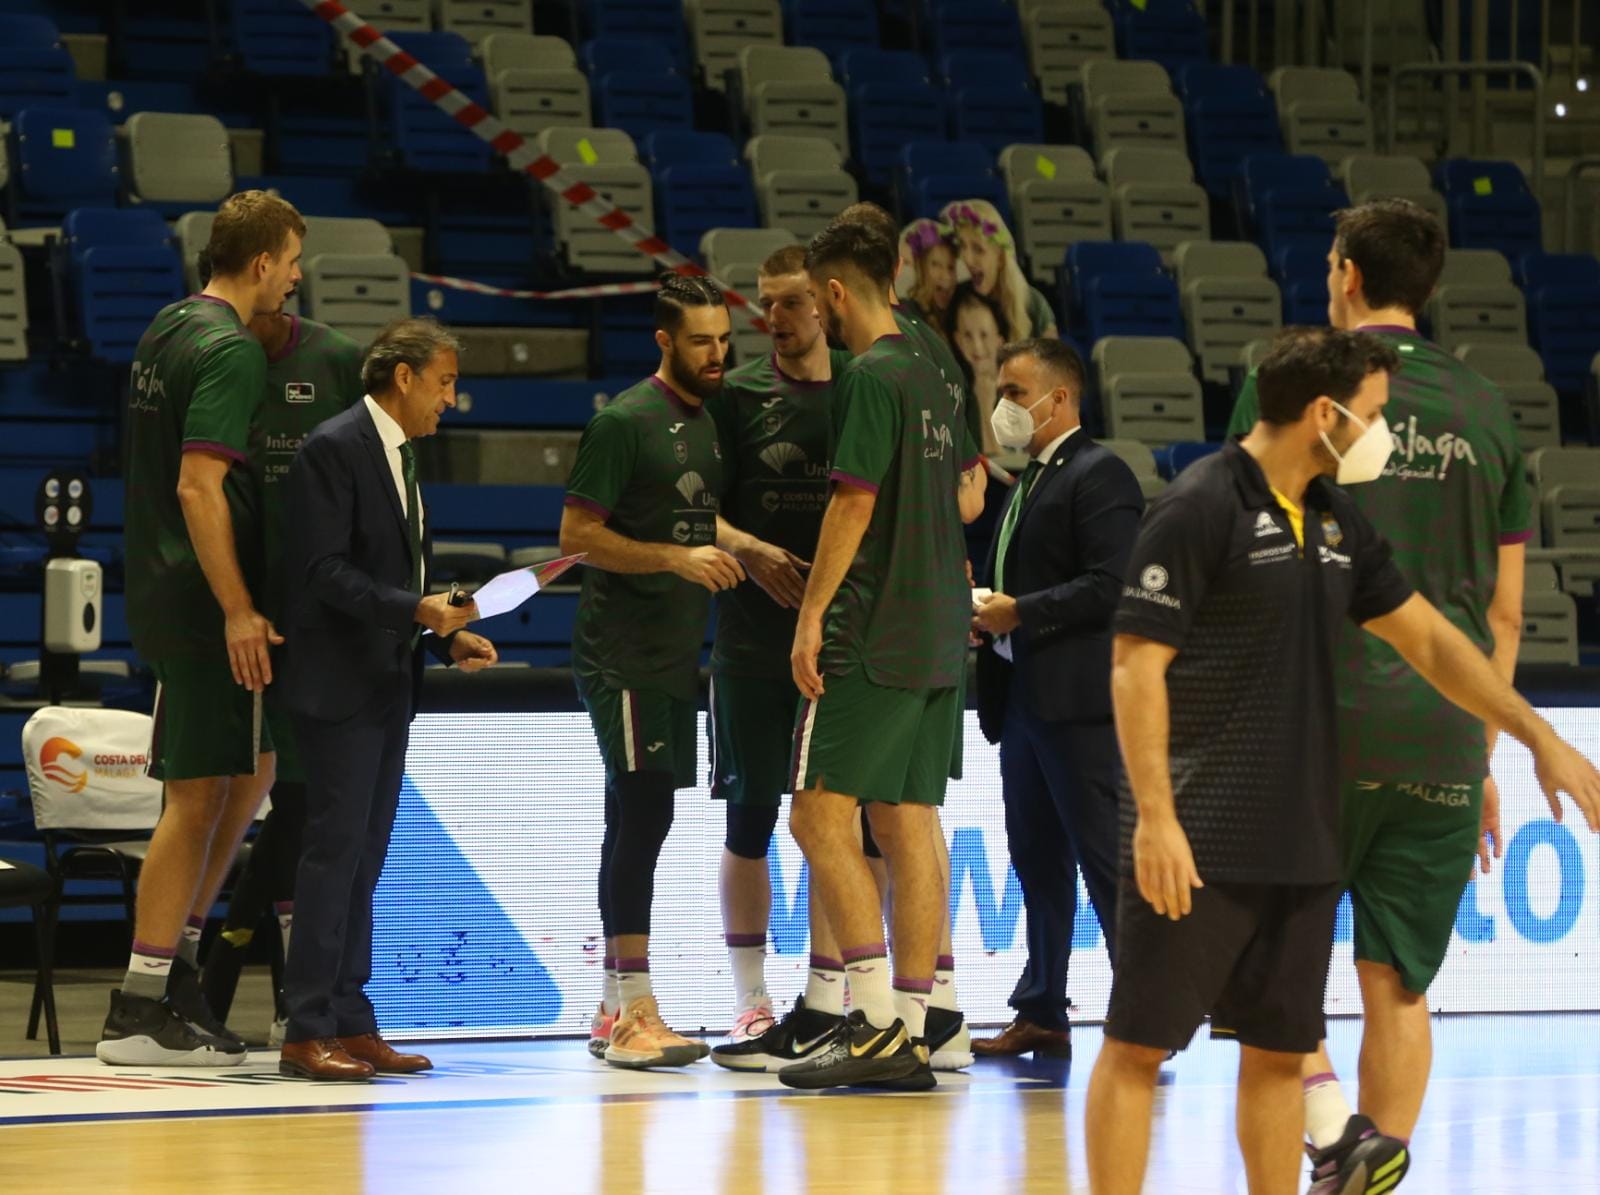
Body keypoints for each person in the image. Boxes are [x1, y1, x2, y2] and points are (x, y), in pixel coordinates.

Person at [1084, 326, 1600, 1195]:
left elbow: (1433, 641)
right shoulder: (1200, 504)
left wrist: (1536, 732)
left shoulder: (1333, 517)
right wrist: (1157, 817)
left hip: (1304, 837)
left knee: (1281, 1056)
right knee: (1137, 1045)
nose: (1380, 435)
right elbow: (1135, 665)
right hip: (1199, 834)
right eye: (1371, 415)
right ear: (1323, 414)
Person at [1225, 199, 1534, 1193]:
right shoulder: (1489, 409)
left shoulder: (1295, 381)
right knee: (1398, 985)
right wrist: (1482, 750)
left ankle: (1317, 1136)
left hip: (1314, 723)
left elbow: (1241, 552)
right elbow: (1506, 613)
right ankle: (1364, 1169)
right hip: (1443, 732)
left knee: (1272, 980)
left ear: (1348, 276)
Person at [779, 220, 986, 1092]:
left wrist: (812, 612)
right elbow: (971, 495)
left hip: (875, 624)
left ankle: (866, 1022)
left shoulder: (868, 375)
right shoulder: (938, 370)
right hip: (941, 626)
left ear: (832, 296)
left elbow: (852, 505)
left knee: (818, 819)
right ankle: (920, 1020)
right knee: (906, 822)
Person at [100, 190, 305, 1067]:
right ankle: (138, 1004)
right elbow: (195, 486)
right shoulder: (231, 349)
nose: (295, 280)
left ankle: (171, 977)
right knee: (194, 798)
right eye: (292, 262)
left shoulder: (167, 327)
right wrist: (237, 606)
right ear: (261, 263)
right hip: (197, 602)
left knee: (239, 778)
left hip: (160, 588)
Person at [277, 317, 497, 1081]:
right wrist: (416, 611)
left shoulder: (398, 457)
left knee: (365, 858)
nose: (451, 399)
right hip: (337, 686)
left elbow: (393, 578)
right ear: (402, 377)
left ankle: (350, 1016)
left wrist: (444, 636)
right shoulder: (333, 448)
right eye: (444, 383)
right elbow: (322, 573)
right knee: (333, 854)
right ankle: (305, 1027)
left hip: (385, 682)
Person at [560, 275, 742, 1070]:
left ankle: (610, 1007)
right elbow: (576, 534)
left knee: (634, 820)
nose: (717, 353)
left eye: (725, 338)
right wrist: (677, 557)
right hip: (622, 655)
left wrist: (749, 548)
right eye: (701, 340)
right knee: (643, 818)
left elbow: (696, 514)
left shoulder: (709, 422)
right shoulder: (625, 421)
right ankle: (636, 1008)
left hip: (674, 656)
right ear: (665, 341)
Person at [194, 250, 366, 1045]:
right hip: (229, 607)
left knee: (303, 807)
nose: (291, 279)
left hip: (314, 614)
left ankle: (305, 1002)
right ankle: (195, 983)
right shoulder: (213, 352)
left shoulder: (333, 358)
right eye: (286, 265)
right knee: (236, 796)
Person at [970, 338, 1143, 1059]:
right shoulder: (1032, 478)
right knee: (1036, 859)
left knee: (1106, 860)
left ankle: (1148, 1014)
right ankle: (1042, 1006)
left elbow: (1116, 583)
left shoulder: (1100, 473)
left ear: (1059, 398)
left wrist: (1021, 610)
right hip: (1024, 701)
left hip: (1078, 705)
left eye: (1014, 391)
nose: (1003, 406)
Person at [702, 245, 851, 1048]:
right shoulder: (737, 397)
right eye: (764, 301)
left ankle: (833, 995)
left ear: (826, 303)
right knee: (749, 820)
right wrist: (750, 550)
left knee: (844, 825)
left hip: (842, 645)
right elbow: (690, 515)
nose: (774, 318)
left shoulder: (864, 387)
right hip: (753, 646)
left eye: (789, 301)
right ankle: (752, 996)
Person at [940, 199, 1057, 341]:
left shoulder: (1033, 304)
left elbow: (1053, 360)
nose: (967, 259)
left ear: (1000, 258)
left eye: (978, 249)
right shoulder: (953, 301)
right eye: (962, 246)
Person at [946, 282, 1010, 457]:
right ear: (958, 340)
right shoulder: (956, 396)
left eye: (984, 335)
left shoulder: (1015, 393)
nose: (977, 346)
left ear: (999, 340)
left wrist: (985, 406)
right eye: (967, 335)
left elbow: (1007, 466)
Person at [897, 217, 957, 331]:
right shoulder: (907, 314)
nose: (946, 276)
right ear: (920, 269)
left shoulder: (955, 315)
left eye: (951, 267)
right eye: (936, 265)